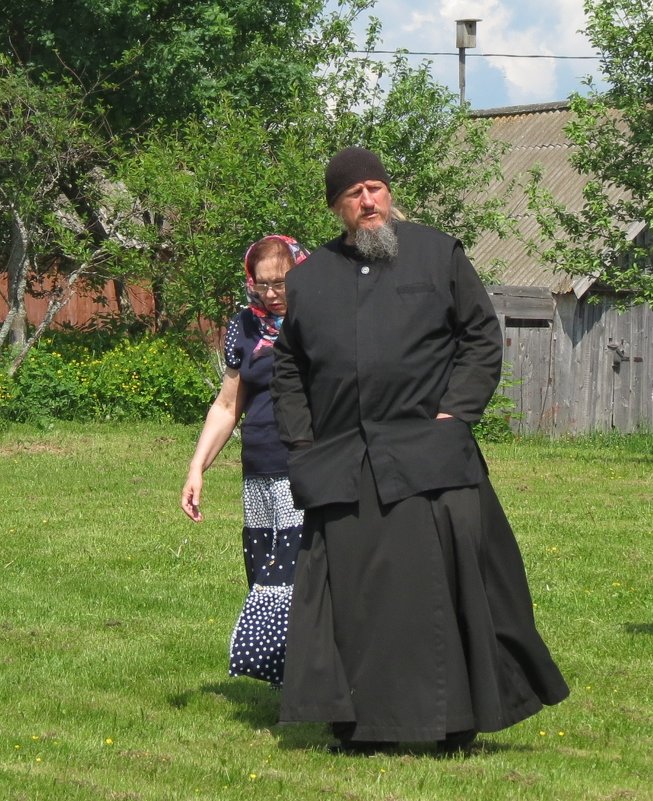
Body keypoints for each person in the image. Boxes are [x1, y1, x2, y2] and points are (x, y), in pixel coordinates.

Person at [270, 147, 569, 751]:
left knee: (447, 593)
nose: (368, 201)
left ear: (389, 193)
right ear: (337, 207)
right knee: (357, 604)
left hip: (428, 453)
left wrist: (454, 414)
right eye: (354, 195)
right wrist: (303, 441)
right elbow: (288, 367)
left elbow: (481, 336)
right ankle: (361, 727)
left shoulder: (438, 253)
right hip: (345, 463)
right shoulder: (308, 280)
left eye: (376, 189)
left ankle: (454, 722)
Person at [181, 234, 309, 685]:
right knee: (264, 570)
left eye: (281, 283)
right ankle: (286, 678)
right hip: (259, 471)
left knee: (296, 573)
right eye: (262, 285)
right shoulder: (244, 326)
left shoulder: (320, 319)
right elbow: (227, 404)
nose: (272, 294)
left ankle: (304, 672)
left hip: (308, 465)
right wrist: (197, 467)